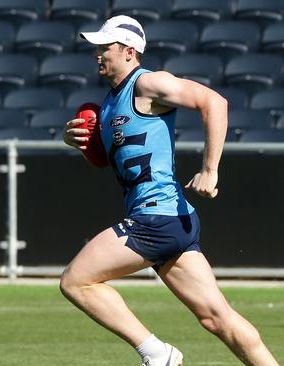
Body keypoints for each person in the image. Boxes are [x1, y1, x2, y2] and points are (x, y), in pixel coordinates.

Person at [59, 15, 280, 366]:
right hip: (172, 219)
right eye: (96, 48)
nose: (97, 54)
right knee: (216, 318)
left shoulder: (148, 83)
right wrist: (78, 142)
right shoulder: (110, 102)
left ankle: (157, 353)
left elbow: (215, 103)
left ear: (130, 51)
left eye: (105, 47)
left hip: (156, 218)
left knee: (76, 281)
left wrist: (210, 170)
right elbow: (109, 158)